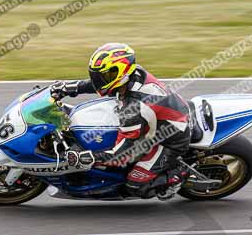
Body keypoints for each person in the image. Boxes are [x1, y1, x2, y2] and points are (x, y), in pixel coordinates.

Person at [50, 42, 195, 199]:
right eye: (97, 75)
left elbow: (123, 155)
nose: (98, 80)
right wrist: (72, 87)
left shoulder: (133, 109)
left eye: (104, 75)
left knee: (135, 185)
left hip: (170, 140)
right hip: (163, 118)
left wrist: (88, 157)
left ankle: (178, 174)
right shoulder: (132, 74)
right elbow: (102, 83)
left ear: (122, 73)